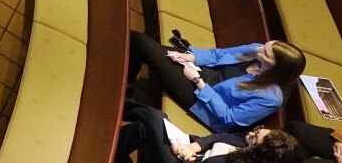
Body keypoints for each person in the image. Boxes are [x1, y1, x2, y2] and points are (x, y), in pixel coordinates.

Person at [126, 30, 307, 133]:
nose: (259, 49)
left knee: (140, 41)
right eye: (266, 45)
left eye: (266, 53)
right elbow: (219, 54)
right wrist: (191, 56)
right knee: (139, 45)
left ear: (276, 67)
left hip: (203, 101)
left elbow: (230, 118)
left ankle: (126, 96)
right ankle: (128, 88)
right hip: (204, 71)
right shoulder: (256, 50)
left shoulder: (271, 97)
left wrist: (198, 81)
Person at [116, 109, 302, 163]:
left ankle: (114, 109)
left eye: (255, 138)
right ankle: (115, 153)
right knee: (142, 128)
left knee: (155, 116)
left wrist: (186, 156)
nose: (251, 134)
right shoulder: (249, 141)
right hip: (191, 153)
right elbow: (218, 137)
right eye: (258, 130)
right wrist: (192, 147)